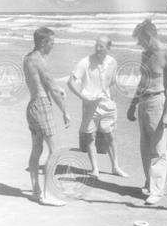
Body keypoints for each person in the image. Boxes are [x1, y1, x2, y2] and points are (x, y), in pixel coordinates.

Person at [127, 19, 167, 205]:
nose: (139, 44)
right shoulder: (145, 54)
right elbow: (142, 82)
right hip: (143, 102)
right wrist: (132, 104)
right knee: (145, 147)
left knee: (158, 149)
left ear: (149, 36)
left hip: (158, 102)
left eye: (141, 40)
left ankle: (157, 191)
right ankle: (149, 183)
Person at [68, 35, 128, 179]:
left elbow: (112, 82)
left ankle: (115, 167)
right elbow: (71, 82)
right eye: (96, 45)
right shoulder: (85, 62)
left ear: (108, 48)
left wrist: (112, 101)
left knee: (110, 136)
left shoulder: (113, 62)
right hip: (90, 105)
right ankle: (95, 169)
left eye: (101, 46)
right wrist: (83, 97)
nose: (98, 48)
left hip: (107, 105)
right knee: (90, 137)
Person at [23, 27, 70, 206]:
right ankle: (47, 193)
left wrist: (58, 88)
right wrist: (65, 111)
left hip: (32, 106)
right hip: (42, 106)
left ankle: (37, 191)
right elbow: (50, 87)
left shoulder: (28, 58)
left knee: (37, 150)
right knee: (55, 150)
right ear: (43, 42)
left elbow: (41, 82)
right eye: (52, 42)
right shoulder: (40, 61)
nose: (53, 45)